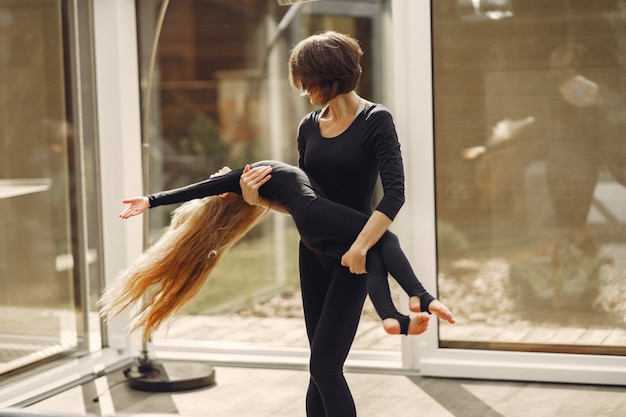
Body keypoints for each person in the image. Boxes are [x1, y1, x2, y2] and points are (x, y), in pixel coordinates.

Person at [239, 31, 420, 417]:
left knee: (326, 367)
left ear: (330, 75)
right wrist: (258, 200)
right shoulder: (308, 126)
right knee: (317, 367)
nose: (303, 90)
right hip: (313, 254)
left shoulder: (376, 120)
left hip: (354, 257)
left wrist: (360, 248)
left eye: (308, 80)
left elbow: (394, 195)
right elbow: (305, 201)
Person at [107, 160, 454, 341]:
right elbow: (200, 187)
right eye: (219, 183)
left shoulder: (262, 194)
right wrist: (151, 200)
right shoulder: (244, 176)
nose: (217, 176)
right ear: (226, 194)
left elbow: (282, 203)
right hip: (314, 215)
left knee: (374, 253)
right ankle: (418, 297)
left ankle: (394, 318)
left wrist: (151, 201)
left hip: (311, 229)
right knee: (385, 238)